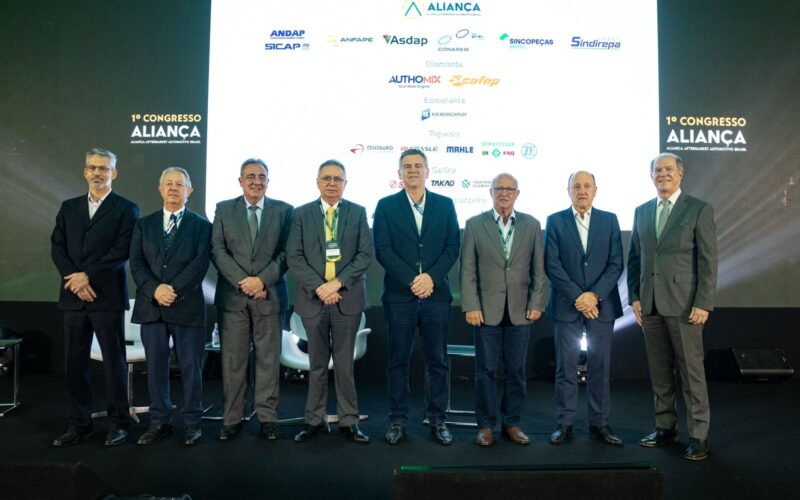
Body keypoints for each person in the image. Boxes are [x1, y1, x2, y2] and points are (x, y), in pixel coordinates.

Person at [628, 152, 717, 461]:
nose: (662, 174)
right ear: (651, 176)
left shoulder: (699, 209)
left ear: (680, 174)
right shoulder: (641, 211)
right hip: (650, 304)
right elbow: (635, 258)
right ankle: (666, 428)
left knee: (691, 373)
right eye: (657, 170)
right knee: (660, 373)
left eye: (668, 169)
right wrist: (635, 296)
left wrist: (703, 302)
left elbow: (708, 260)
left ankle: (699, 435)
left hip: (685, 306)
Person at [50, 148, 140, 447]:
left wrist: (87, 275)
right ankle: (79, 425)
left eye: (103, 168)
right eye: (92, 167)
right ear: (85, 172)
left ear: (114, 173)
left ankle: (118, 424)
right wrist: (75, 280)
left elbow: (122, 250)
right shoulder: (69, 207)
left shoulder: (127, 208)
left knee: (114, 365)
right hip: (74, 298)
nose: (97, 173)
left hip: (106, 297)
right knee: (74, 365)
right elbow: (57, 247)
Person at [373, 148, 460, 445]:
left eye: (418, 166)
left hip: (436, 295)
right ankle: (397, 420)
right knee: (398, 360)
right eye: (407, 166)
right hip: (400, 296)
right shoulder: (386, 206)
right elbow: (383, 250)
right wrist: (413, 280)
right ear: (399, 173)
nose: (412, 170)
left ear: (427, 171)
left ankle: (437, 420)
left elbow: (452, 247)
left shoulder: (445, 204)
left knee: (438, 360)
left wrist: (430, 278)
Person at [287, 159, 372, 444]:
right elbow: (294, 256)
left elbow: (365, 255)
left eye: (338, 179)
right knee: (317, 364)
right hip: (314, 300)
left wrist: (337, 284)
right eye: (327, 178)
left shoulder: (358, 213)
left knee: (345, 366)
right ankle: (314, 421)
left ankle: (349, 422)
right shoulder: (301, 214)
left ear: (345, 184)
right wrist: (320, 287)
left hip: (347, 298)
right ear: (317, 182)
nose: (332, 183)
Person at [460, 173, 547, 447]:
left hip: (521, 311)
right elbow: (467, 270)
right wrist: (471, 305)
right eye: (499, 188)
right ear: (491, 192)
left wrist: (536, 303)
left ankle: (512, 423)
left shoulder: (532, 225)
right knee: (485, 371)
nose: (504, 193)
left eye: (510, 189)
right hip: (485, 312)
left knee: (516, 371)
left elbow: (539, 269)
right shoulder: (474, 225)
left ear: (517, 194)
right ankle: (485, 426)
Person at [129, 167, 212, 446]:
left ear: (189, 191)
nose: (174, 188)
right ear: (160, 189)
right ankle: (159, 422)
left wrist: (172, 290)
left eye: (180, 184)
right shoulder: (144, 224)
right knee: (155, 367)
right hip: (151, 307)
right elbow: (136, 263)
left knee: (191, 368)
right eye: (169, 183)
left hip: (187, 306)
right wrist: (155, 290)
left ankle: (192, 423)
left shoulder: (202, 226)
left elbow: (199, 264)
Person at [211, 158, 293, 441]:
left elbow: (287, 252)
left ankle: (268, 419)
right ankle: (232, 419)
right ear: (240, 181)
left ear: (268, 181)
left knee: (268, 361)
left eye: (261, 177)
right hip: (233, 298)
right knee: (232, 362)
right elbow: (217, 251)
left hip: (270, 296)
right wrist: (245, 283)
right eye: (250, 176)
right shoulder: (224, 209)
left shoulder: (284, 210)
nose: (256, 181)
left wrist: (261, 281)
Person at [544, 171, 624, 447]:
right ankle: (564, 423)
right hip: (567, 305)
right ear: (568, 190)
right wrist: (579, 296)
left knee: (600, 366)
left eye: (587, 186)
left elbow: (616, 263)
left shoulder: (610, 220)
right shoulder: (555, 220)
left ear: (595, 190)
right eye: (576, 186)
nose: (582, 190)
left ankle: (599, 423)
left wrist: (594, 296)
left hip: (602, 305)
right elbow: (551, 264)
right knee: (565, 367)